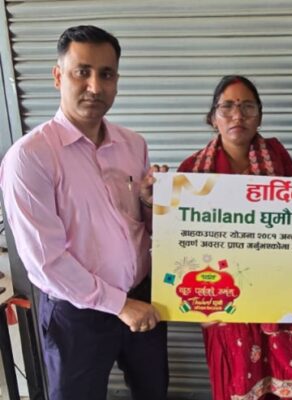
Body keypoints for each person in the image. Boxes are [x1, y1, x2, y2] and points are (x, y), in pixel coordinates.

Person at [0, 26, 168, 400]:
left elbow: (140, 226)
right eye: (82, 72)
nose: (95, 86)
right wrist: (120, 305)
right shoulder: (30, 158)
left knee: (153, 391)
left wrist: (148, 202)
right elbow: (46, 261)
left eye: (106, 74)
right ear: (58, 75)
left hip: (143, 298)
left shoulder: (133, 144)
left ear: (116, 81)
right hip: (77, 313)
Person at [178, 75, 292, 399]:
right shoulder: (191, 171)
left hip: (275, 292)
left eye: (247, 107)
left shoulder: (277, 157)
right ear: (213, 117)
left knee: (280, 378)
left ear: (259, 116)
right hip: (223, 298)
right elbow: (178, 241)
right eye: (228, 107)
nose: (238, 115)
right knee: (235, 380)